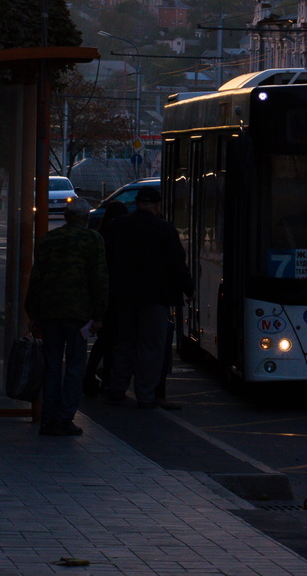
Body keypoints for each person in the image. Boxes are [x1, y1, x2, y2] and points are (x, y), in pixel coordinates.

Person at [24, 197, 107, 436]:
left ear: (65, 217)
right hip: (78, 313)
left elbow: (37, 277)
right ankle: (65, 417)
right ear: (86, 218)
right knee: (74, 366)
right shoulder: (93, 240)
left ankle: (48, 417)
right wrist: (99, 314)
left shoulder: (49, 239)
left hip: (49, 311)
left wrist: (33, 313)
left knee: (52, 366)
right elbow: (99, 279)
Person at [103, 186, 191, 410]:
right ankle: (145, 395)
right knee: (151, 346)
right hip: (155, 298)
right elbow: (176, 263)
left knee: (125, 342)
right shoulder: (164, 229)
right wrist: (188, 288)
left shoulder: (118, 227)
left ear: (137, 203)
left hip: (123, 296)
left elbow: (106, 260)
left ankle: (117, 388)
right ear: (157, 206)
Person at [83, 200, 129, 396]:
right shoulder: (122, 237)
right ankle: (103, 376)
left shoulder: (101, 235)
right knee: (112, 340)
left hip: (101, 295)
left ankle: (93, 374)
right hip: (117, 295)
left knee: (104, 339)